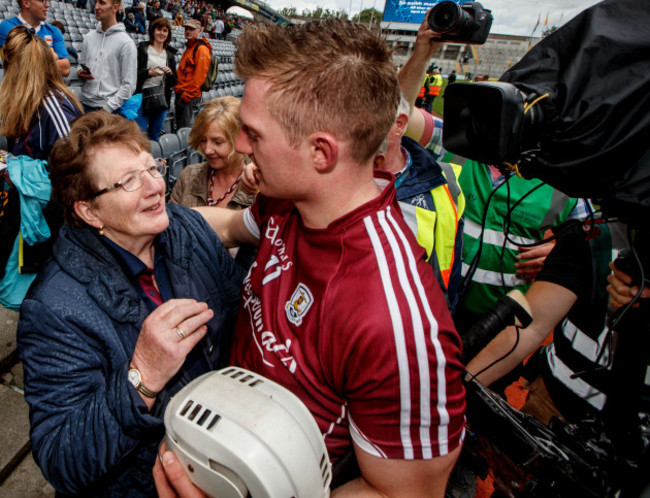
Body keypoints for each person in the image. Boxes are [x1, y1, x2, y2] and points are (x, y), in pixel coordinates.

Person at [155, 19, 466, 497]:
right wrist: (146, 214)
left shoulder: (395, 323)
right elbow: (228, 226)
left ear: (321, 152)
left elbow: (403, 492)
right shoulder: (285, 198)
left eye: (254, 135)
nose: (240, 146)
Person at [17, 112, 245, 496]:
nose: (155, 186)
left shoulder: (185, 228)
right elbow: (61, 458)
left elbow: (240, 312)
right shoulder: (53, 309)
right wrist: (141, 376)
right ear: (89, 211)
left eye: (151, 168)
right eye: (128, 181)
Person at [0, 26, 83, 310]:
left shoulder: (53, 107)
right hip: (29, 214)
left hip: (53, 220)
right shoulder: (23, 102)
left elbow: (73, 169)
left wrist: (19, 169)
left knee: (43, 295)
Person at [376, 92, 465, 313]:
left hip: (420, 319)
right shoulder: (331, 179)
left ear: (399, 124)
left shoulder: (446, 185)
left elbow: (449, 266)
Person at [169, 96, 255, 209]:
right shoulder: (189, 176)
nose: (207, 150)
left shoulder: (258, 185)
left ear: (240, 140)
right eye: (203, 140)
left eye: (218, 142)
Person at [78, 0, 137, 113]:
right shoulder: (88, 38)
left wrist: (106, 110)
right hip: (85, 105)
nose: (96, 7)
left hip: (110, 111)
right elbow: (80, 66)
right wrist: (81, 73)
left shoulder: (126, 43)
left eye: (102, 3)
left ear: (115, 8)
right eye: (95, 2)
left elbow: (128, 86)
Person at [0, 0, 71, 76]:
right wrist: (52, 56)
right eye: (43, 1)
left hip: (48, 88)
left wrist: (36, 60)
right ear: (26, 2)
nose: (47, 5)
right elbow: (21, 65)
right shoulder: (7, 27)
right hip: (19, 87)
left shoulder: (54, 31)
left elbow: (65, 69)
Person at [135, 17, 177, 140]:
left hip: (161, 98)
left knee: (154, 136)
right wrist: (148, 73)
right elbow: (133, 73)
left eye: (165, 30)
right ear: (153, 31)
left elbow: (175, 81)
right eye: (159, 30)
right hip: (142, 97)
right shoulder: (142, 49)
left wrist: (170, 74)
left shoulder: (169, 54)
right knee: (139, 135)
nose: (161, 33)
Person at [174, 19, 211, 129]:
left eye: (191, 29)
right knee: (179, 127)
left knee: (184, 129)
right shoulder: (190, 47)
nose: (188, 31)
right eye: (186, 29)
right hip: (182, 93)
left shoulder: (201, 49)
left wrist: (187, 95)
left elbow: (200, 77)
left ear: (199, 31)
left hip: (188, 96)